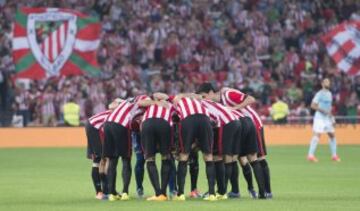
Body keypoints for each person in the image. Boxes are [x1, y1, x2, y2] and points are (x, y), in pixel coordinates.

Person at [197, 83, 267, 199]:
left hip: (235, 123)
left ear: (210, 92)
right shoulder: (219, 100)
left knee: (228, 159)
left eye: (204, 96)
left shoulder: (220, 98)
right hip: (248, 122)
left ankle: (222, 191)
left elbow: (250, 99)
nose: (204, 99)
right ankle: (260, 193)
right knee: (251, 159)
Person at [168, 93, 217, 201]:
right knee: (208, 156)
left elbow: (172, 118)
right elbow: (214, 119)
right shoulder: (198, 101)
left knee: (184, 155)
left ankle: (180, 194)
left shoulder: (176, 101)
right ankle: (212, 194)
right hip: (205, 119)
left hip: (188, 120)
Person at [103, 95, 147, 201]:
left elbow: (111, 105)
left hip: (107, 124)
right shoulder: (138, 103)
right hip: (121, 126)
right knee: (126, 159)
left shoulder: (124, 102)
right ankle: (125, 192)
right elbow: (143, 104)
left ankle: (112, 193)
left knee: (113, 160)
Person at [137, 94, 175, 201]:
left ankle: (158, 193)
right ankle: (163, 193)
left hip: (148, 124)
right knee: (166, 157)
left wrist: (154, 102)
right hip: (164, 124)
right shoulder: (169, 105)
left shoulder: (149, 104)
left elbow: (139, 103)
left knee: (149, 158)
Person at [85, 99, 120, 200]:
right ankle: (100, 192)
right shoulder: (115, 113)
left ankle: (107, 190)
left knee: (102, 159)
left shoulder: (114, 114)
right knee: (100, 159)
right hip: (94, 128)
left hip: (94, 126)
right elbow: (111, 105)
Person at [307, 78, 341, 162]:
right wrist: (323, 110)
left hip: (327, 118)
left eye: (328, 82)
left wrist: (332, 118)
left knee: (332, 135)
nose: (328, 83)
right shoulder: (319, 94)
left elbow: (329, 108)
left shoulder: (329, 94)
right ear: (322, 84)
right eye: (326, 82)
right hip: (319, 117)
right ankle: (310, 155)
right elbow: (312, 105)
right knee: (317, 135)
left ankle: (334, 155)